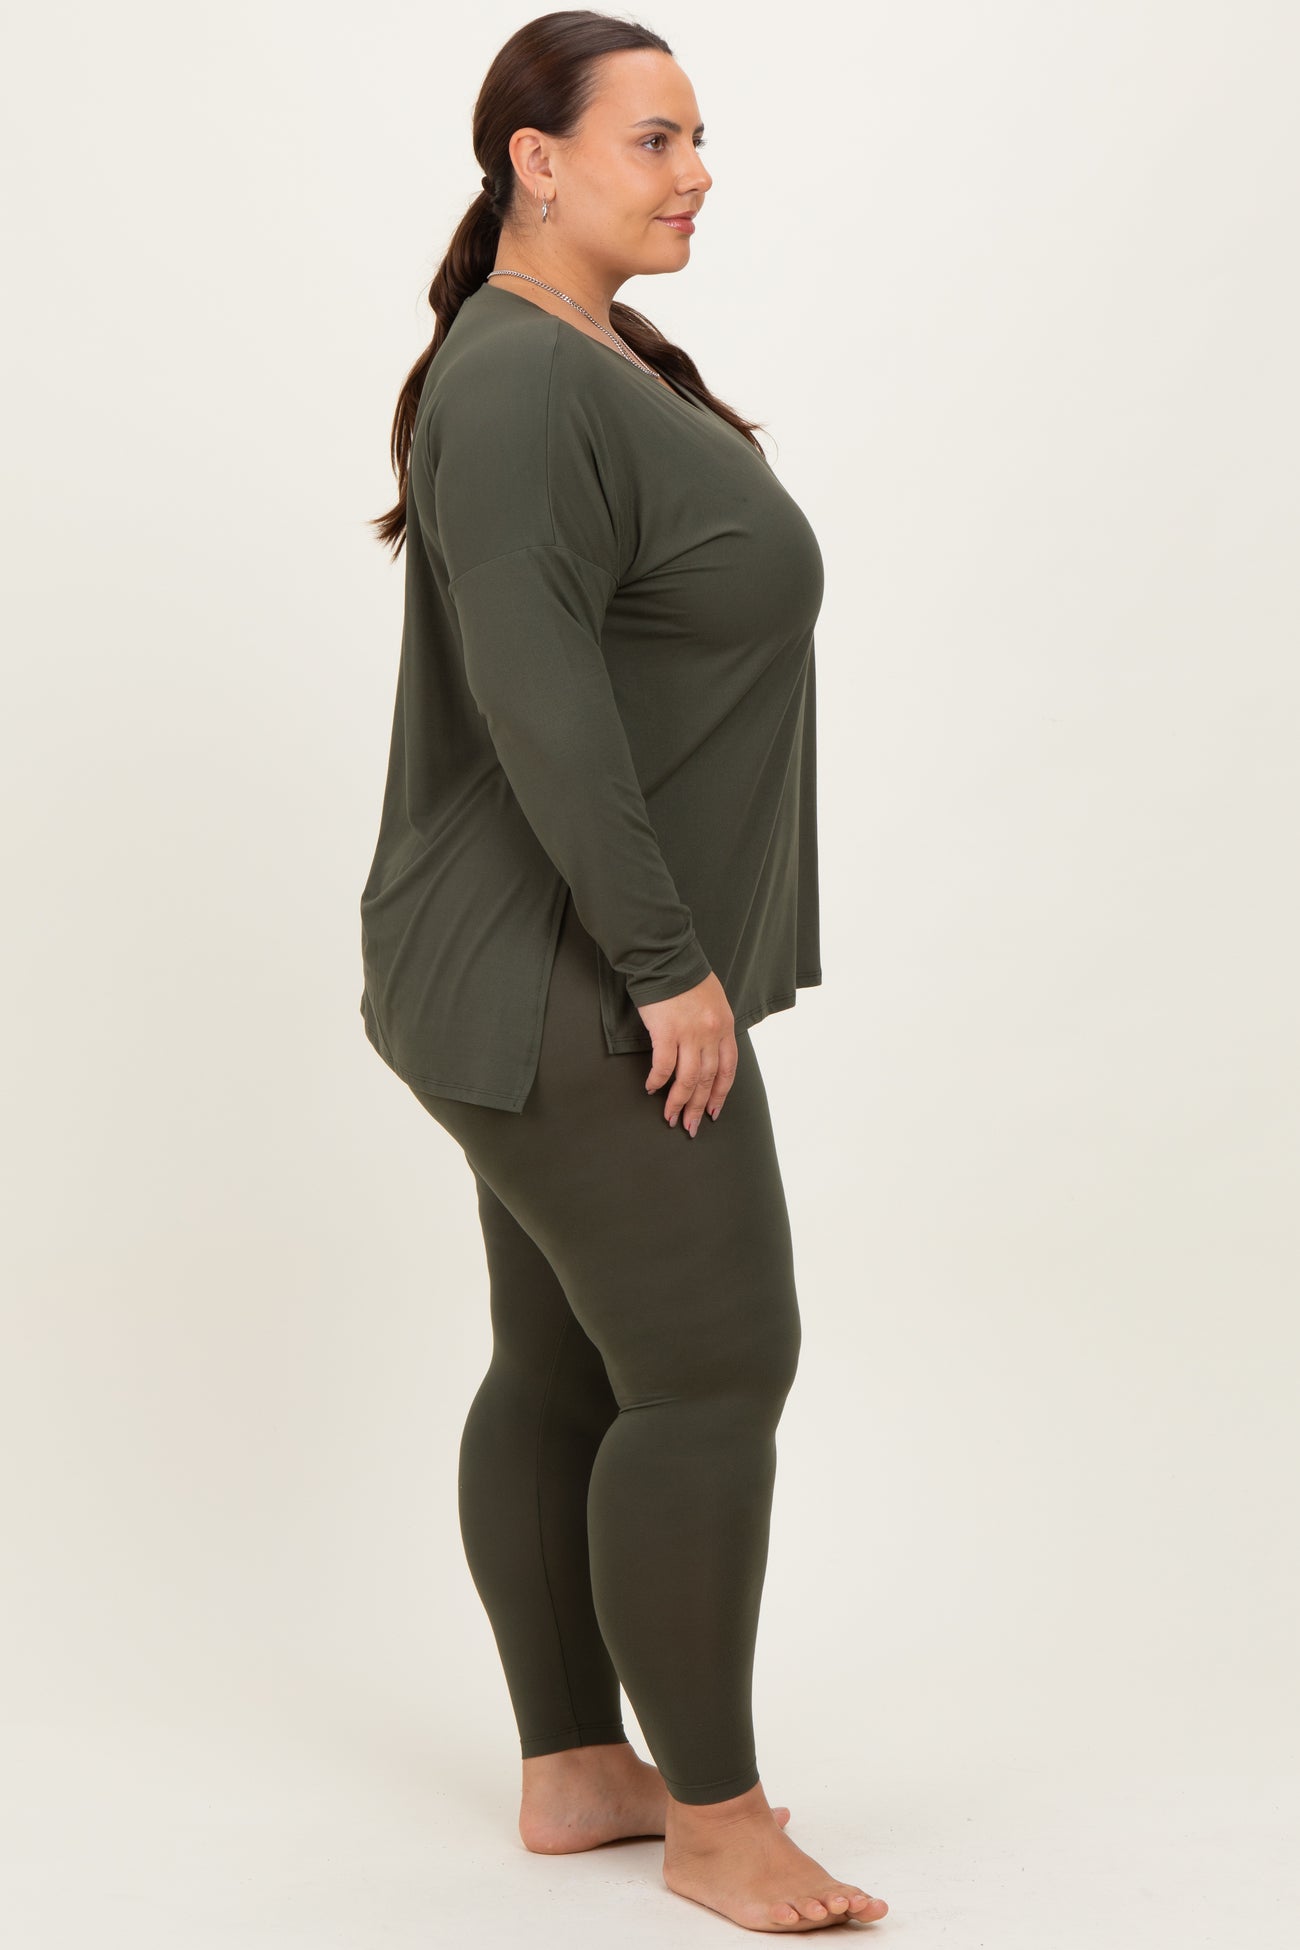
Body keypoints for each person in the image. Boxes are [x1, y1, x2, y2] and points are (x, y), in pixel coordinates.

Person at [358, 10, 888, 1935]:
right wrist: (667, 966)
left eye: (696, 137)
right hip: (561, 971)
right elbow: (542, 698)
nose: (696, 173)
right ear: (536, 158)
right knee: (716, 1364)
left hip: (536, 959)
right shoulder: (515, 381)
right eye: (654, 138)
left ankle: (580, 1766)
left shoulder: (588, 357)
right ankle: (719, 1820)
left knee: (572, 1358)